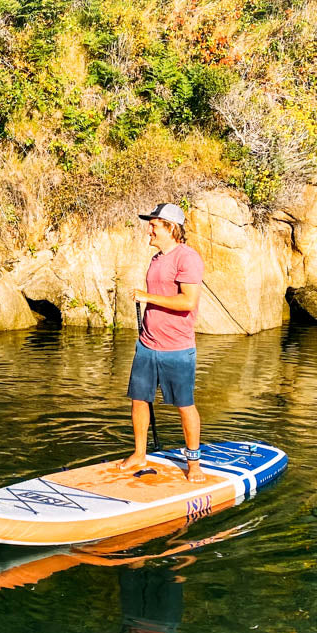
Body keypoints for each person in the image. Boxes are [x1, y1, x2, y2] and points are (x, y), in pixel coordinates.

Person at [119, 203, 205, 482]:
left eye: (154, 225)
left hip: (176, 348)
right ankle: (140, 454)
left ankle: (194, 466)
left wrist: (147, 297)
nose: (149, 229)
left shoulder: (187, 258)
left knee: (184, 404)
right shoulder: (156, 259)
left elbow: (187, 302)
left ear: (170, 228)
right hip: (147, 344)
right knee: (139, 400)